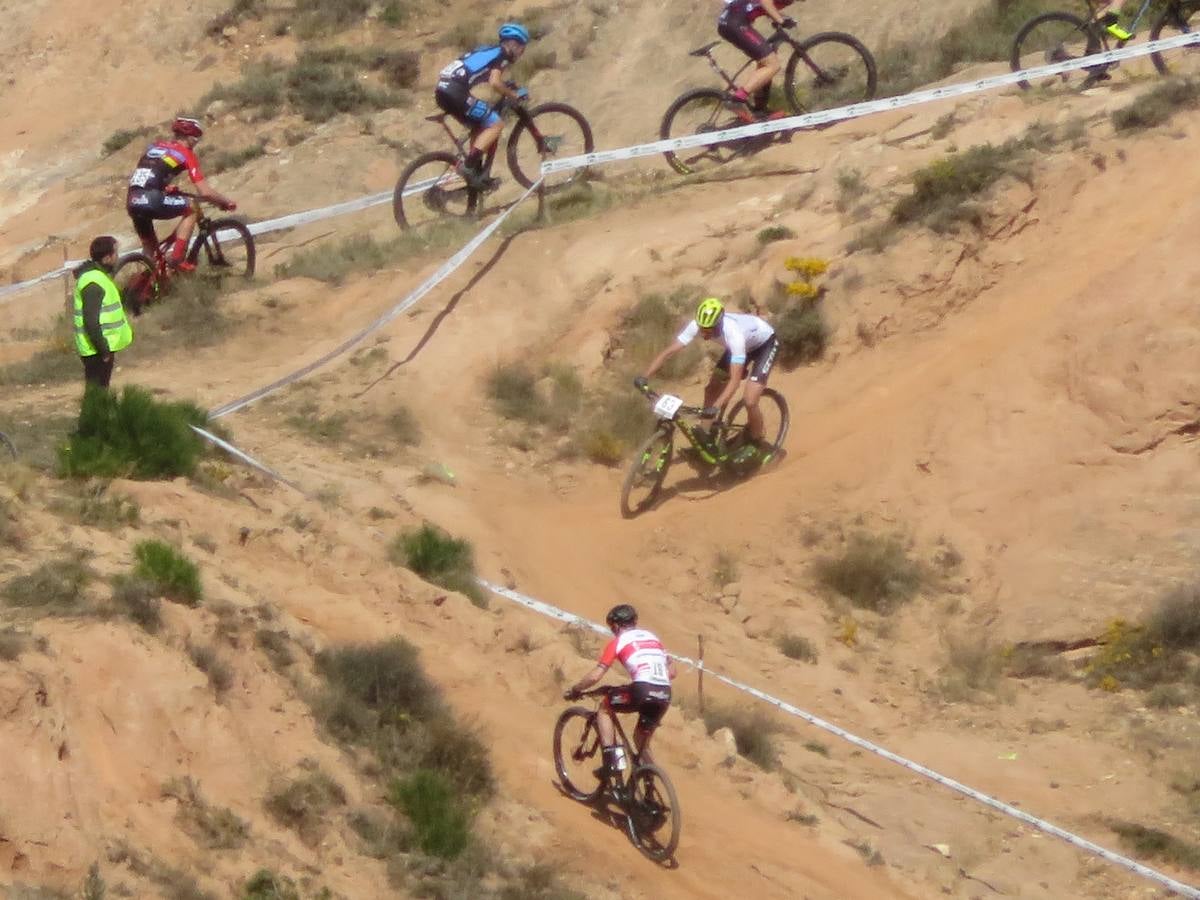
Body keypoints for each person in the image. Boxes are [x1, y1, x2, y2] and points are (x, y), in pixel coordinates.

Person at [638, 297, 778, 459]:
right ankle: (706, 437)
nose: (704, 333)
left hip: (764, 345)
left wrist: (716, 407)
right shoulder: (697, 325)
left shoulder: (733, 334)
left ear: (718, 325)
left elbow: (734, 381)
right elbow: (669, 352)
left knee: (750, 400)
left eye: (708, 330)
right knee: (712, 388)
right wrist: (644, 377)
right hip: (740, 347)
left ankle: (756, 441)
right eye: (702, 328)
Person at [564, 604, 676, 784]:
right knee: (641, 741)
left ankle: (611, 764)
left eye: (611, 628)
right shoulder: (653, 639)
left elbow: (595, 676)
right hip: (664, 693)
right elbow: (672, 673)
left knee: (605, 708)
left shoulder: (618, 642)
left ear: (616, 626)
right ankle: (651, 785)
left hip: (642, 690)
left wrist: (576, 689)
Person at [126, 117, 236, 272]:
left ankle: (146, 286)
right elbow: (204, 191)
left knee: (149, 248)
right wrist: (224, 202)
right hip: (152, 198)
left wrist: (163, 188)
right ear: (190, 138)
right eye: (197, 139)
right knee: (191, 208)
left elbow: (150, 172)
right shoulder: (186, 153)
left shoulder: (154, 146)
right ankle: (177, 259)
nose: (197, 143)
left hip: (133, 198)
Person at [434, 23, 531, 191]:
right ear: (514, 45)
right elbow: (494, 82)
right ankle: (469, 166)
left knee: (480, 125)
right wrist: (513, 95)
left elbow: (480, 73)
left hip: (442, 91)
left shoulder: (485, 50)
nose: (522, 53)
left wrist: (506, 85)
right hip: (455, 92)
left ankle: (476, 175)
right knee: (496, 124)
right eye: (522, 48)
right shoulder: (502, 55)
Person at [717, 0, 800, 122]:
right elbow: (765, 1)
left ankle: (759, 109)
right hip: (736, 23)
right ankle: (738, 99)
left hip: (731, 22)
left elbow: (764, 7)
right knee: (773, 65)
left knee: (765, 62)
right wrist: (781, 20)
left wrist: (783, 18)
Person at [73, 236, 133, 389]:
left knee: (100, 392)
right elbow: (91, 321)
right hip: (96, 350)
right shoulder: (93, 282)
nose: (117, 257)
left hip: (99, 348)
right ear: (107, 258)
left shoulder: (98, 277)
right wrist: (104, 350)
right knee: (96, 395)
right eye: (115, 254)